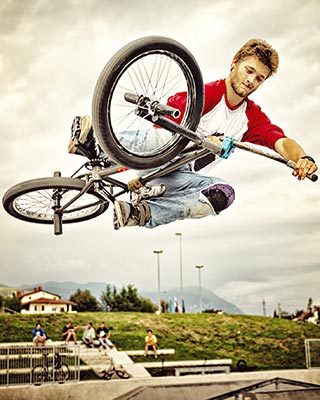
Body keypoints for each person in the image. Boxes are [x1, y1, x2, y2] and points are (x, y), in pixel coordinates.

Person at [68, 39, 318, 229]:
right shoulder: (210, 94)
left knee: (223, 194)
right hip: (159, 154)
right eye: (249, 71)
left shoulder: (250, 119)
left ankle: (141, 213)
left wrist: (302, 158)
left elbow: (281, 141)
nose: (252, 80)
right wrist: (198, 136)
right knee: (164, 139)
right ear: (235, 63)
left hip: (178, 178)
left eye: (259, 78)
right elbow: (174, 107)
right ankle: (95, 143)